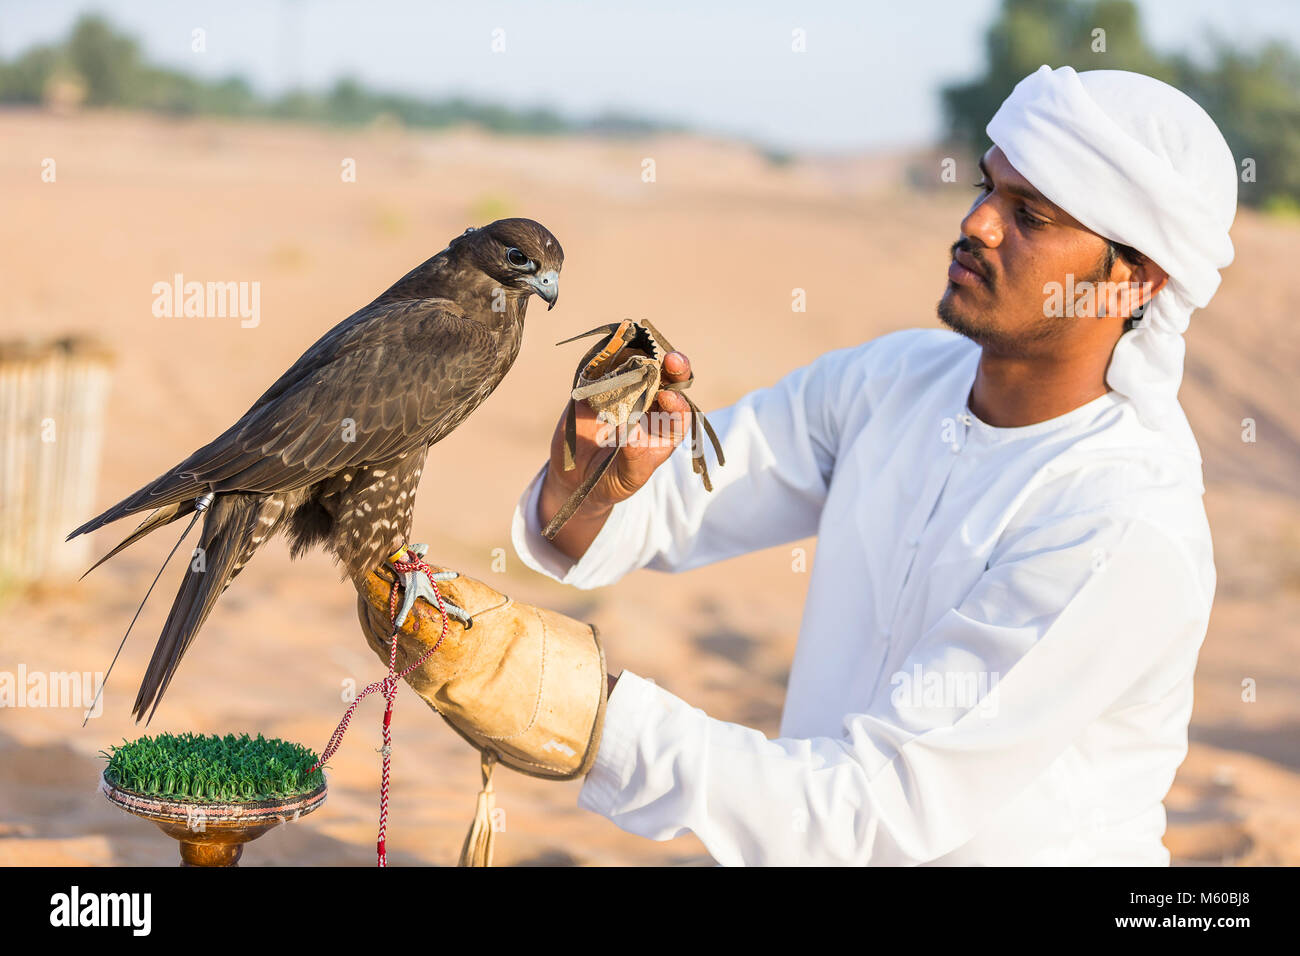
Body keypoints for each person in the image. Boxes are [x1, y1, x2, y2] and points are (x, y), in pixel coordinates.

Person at [507, 65, 1239, 865]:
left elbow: (874, 808)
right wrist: (587, 483)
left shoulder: (1118, 524)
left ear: (1134, 280)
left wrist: (590, 717)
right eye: (989, 187)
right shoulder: (889, 384)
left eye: (1030, 215)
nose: (979, 223)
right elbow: (663, 507)